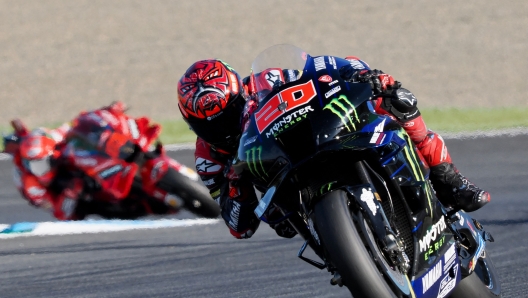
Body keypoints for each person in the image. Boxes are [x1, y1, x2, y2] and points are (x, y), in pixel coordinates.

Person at [177, 58, 490, 239]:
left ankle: (448, 177)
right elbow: (239, 228)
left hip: (321, 136)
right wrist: (234, 186)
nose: (223, 129)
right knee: (282, 224)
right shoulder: (207, 157)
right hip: (283, 190)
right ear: (192, 123)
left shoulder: (266, 81)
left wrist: (355, 74)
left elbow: (319, 73)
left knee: (391, 96)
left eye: (229, 114)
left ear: (239, 92)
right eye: (210, 126)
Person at [3, 101, 166, 220]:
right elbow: (61, 213)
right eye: (37, 166)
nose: (42, 169)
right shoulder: (31, 186)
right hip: (80, 198)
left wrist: (102, 116)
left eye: (45, 162)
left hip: (80, 165)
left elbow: (76, 126)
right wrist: (70, 193)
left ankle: (137, 146)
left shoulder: (52, 138)